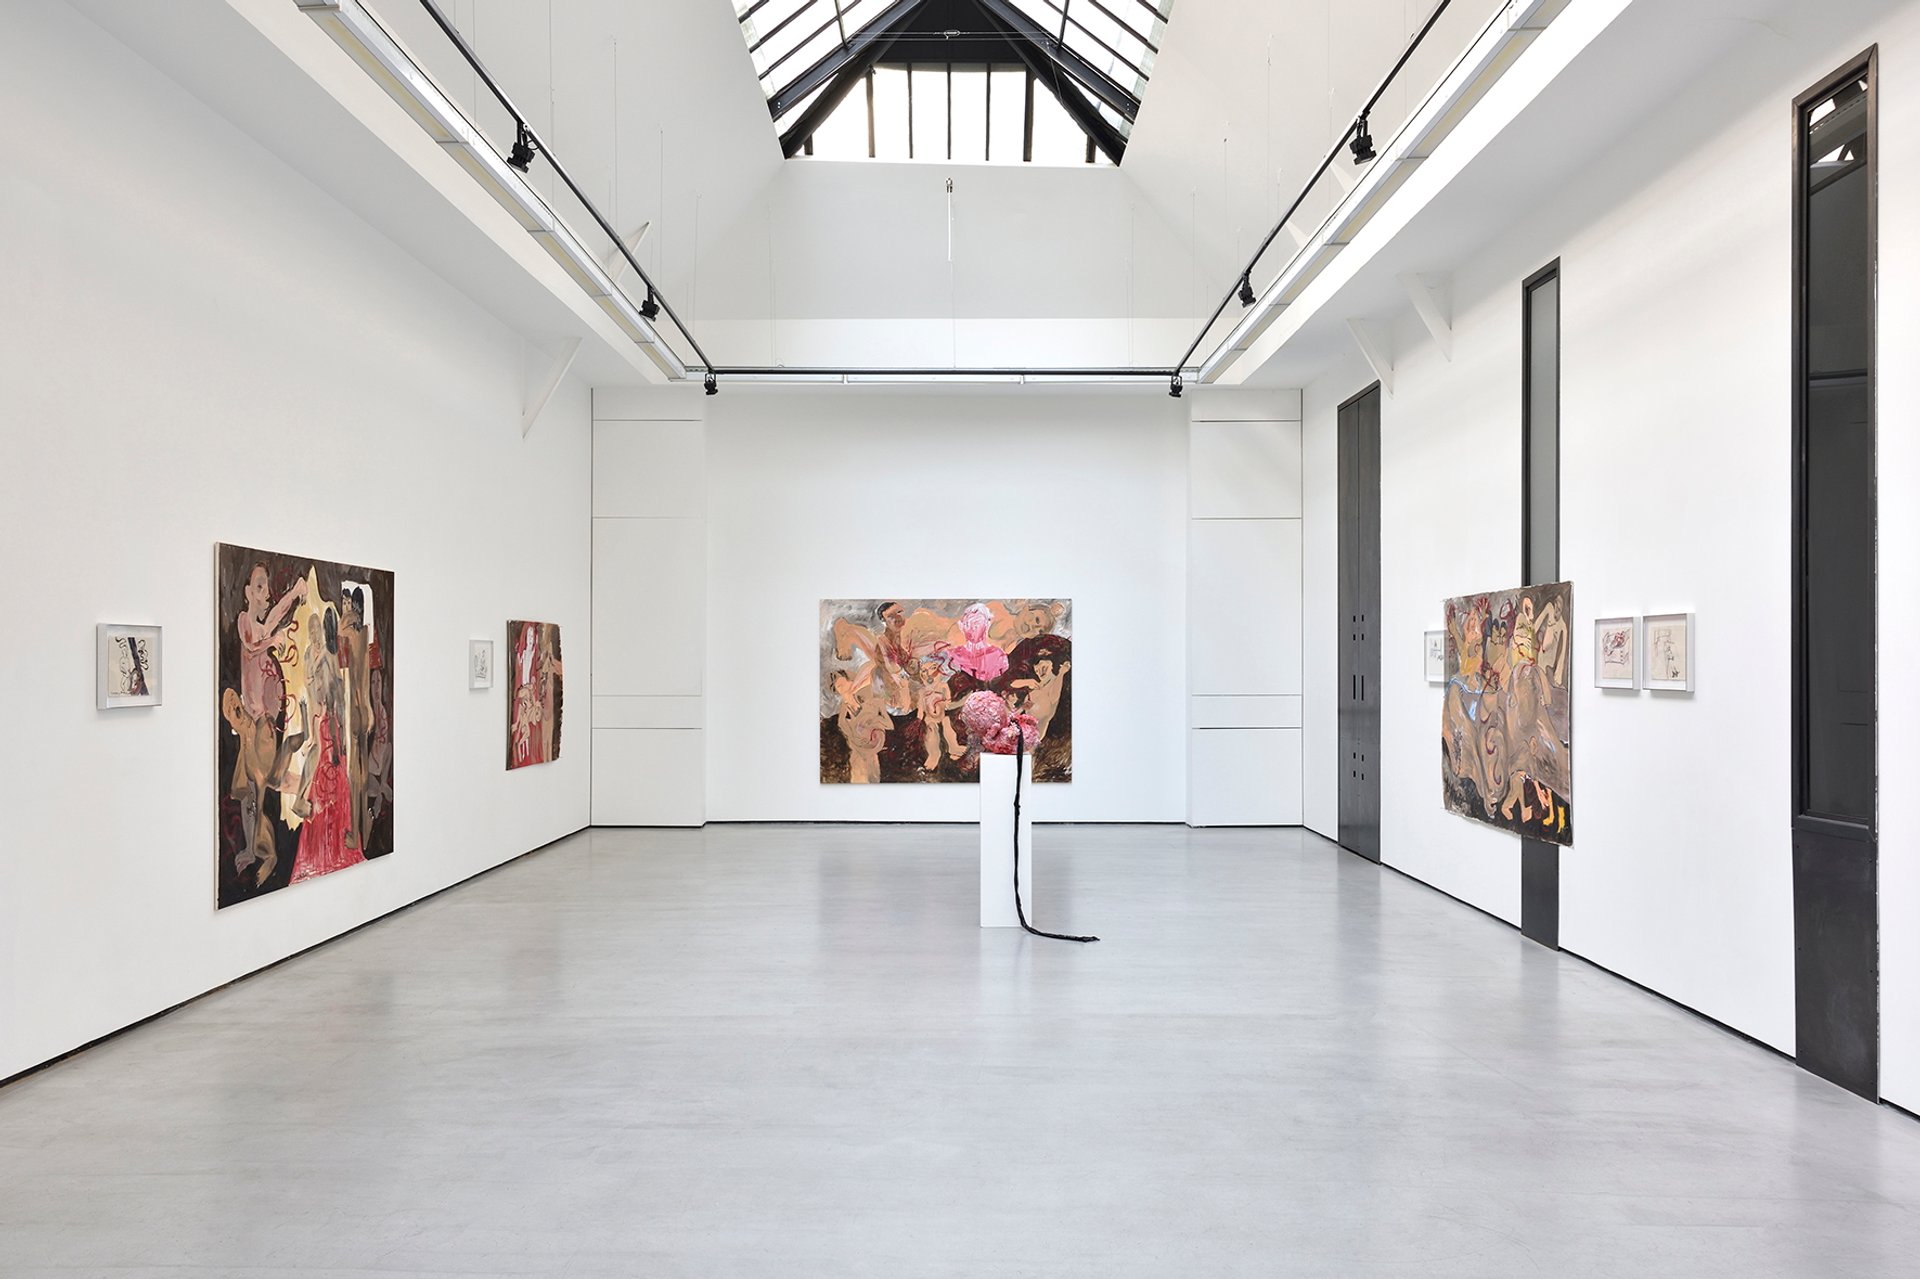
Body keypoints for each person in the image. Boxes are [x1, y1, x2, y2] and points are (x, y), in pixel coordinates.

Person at [1010, 658, 1071, 743]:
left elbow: (1054, 697)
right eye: (1037, 670)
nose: (1040, 671)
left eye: (1043, 667)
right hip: (1018, 730)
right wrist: (1022, 708)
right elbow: (1011, 685)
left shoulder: (1055, 681)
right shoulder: (1035, 687)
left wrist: (1061, 673)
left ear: (1051, 664)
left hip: (1034, 735)